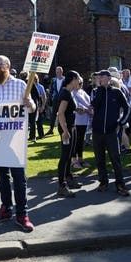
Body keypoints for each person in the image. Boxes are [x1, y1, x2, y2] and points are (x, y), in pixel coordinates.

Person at [0, 55, 35, 232]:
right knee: (2, 176)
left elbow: (32, 108)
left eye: (0, 64)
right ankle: (6, 208)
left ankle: (22, 214)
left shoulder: (21, 85)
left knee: (19, 178)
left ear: (8, 65)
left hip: (15, 139)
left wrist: (29, 104)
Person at [91, 70, 131, 196]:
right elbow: (95, 105)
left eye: (102, 76)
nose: (99, 78)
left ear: (108, 78)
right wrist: (100, 89)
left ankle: (120, 184)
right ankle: (103, 182)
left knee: (115, 159)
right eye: (98, 77)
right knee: (99, 159)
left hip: (112, 132)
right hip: (97, 131)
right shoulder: (95, 91)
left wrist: (121, 122)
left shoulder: (117, 92)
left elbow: (127, 108)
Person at [56, 70, 83, 198]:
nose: (79, 81)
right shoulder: (65, 93)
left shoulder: (69, 93)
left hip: (72, 127)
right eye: (78, 78)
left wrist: (77, 109)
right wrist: (65, 131)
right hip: (66, 129)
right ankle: (62, 185)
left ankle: (68, 178)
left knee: (70, 154)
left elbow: (67, 110)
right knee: (65, 156)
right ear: (73, 79)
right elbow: (60, 113)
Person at [72, 77, 92, 169]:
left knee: (81, 141)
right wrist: (87, 110)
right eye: (79, 83)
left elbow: (90, 103)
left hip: (84, 120)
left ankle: (80, 159)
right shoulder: (72, 93)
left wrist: (90, 109)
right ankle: (73, 160)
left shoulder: (82, 92)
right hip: (76, 120)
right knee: (75, 141)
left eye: (82, 83)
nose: (80, 85)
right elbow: (78, 108)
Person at [46, 66, 64, 135]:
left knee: (62, 114)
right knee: (53, 115)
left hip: (63, 100)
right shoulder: (53, 80)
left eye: (59, 72)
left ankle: (63, 128)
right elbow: (51, 90)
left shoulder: (65, 80)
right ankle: (51, 129)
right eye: (56, 72)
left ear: (61, 72)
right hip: (55, 100)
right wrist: (50, 97)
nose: (57, 73)